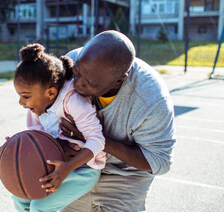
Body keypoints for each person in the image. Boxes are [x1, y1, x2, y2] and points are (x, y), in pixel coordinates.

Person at [59, 30, 176, 212]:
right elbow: (42, 102)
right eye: (77, 72)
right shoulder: (69, 63)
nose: (78, 83)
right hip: (78, 165)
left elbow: (159, 161)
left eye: (90, 81)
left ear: (119, 80)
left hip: (124, 174)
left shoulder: (151, 99)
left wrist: (95, 138)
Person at [3, 43, 107, 212]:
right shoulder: (37, 105)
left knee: (40, 207)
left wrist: (67, 168)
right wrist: (13, 147)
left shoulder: (73, 101)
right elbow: (36, 139)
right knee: (20, 197)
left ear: (50, 93)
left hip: (83, 170)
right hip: (59, 163)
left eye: (25, 96)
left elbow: (97, 140)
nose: (21, 103)